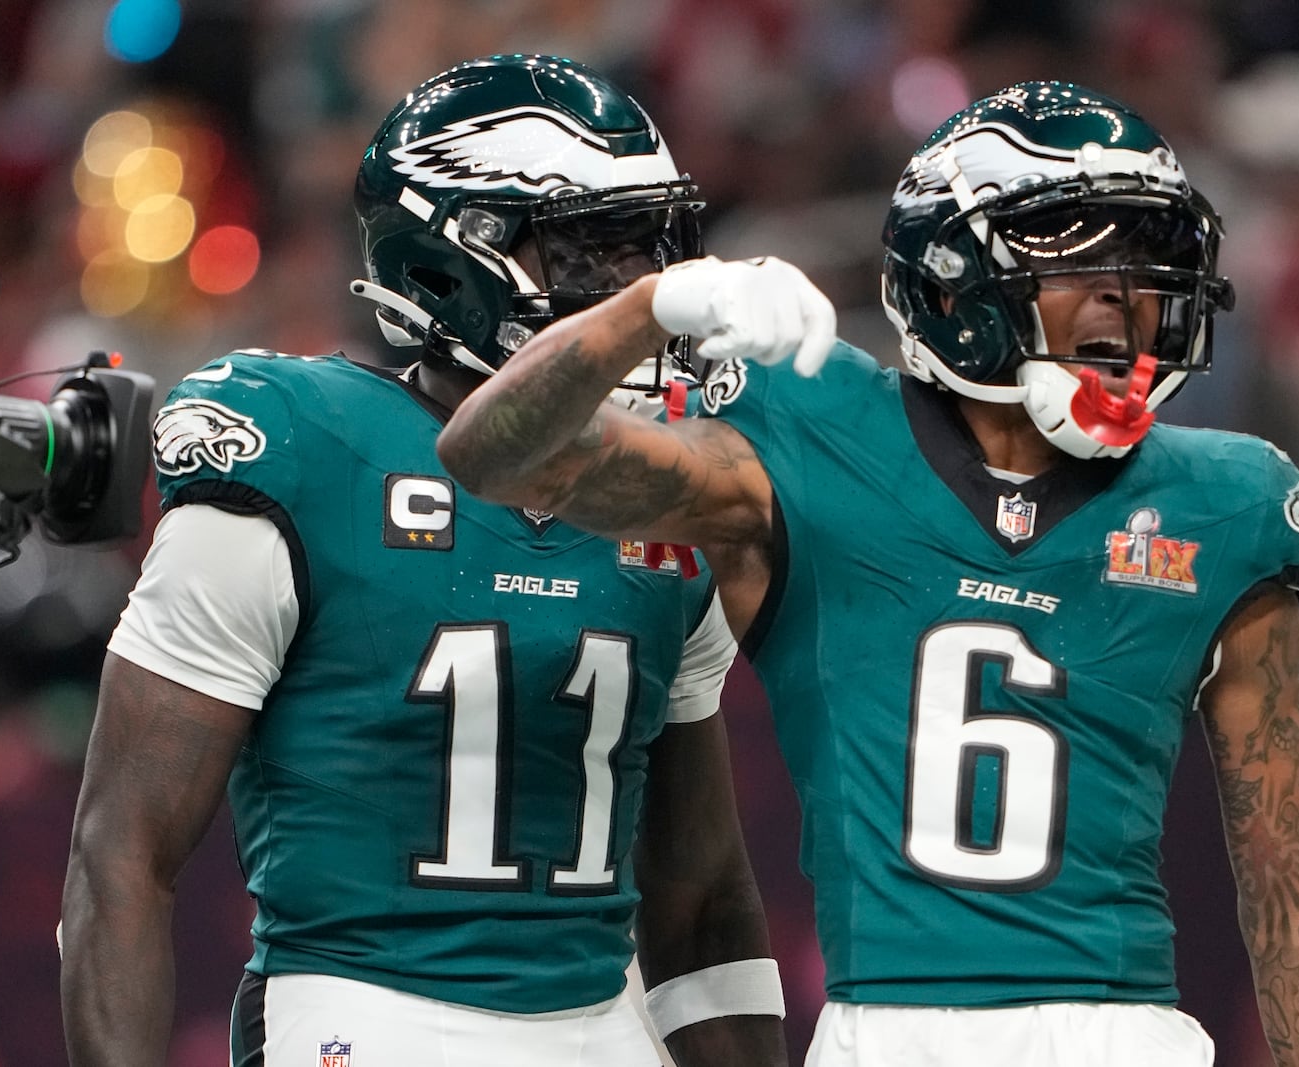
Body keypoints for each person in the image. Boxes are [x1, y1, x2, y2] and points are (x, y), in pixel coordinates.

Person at [437, 82, 1299, 1066]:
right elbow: (493, 456)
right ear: (950, 276)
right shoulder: (814, 435)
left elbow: (1290, 899)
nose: (1126, 292)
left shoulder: (1226, 500)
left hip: (1120, 1031)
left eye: (1144, 257)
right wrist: (651, 305)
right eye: (1080, 254)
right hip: (887, 1031)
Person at [60, 54, 788, 1067]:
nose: (638, 292)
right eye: (593, 252)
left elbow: (703, 897)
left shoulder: (670, 492)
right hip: (367, 1014)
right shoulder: (308, 449)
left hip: (599, 1021)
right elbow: (122, 856)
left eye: (648, 247)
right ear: (449, 268)